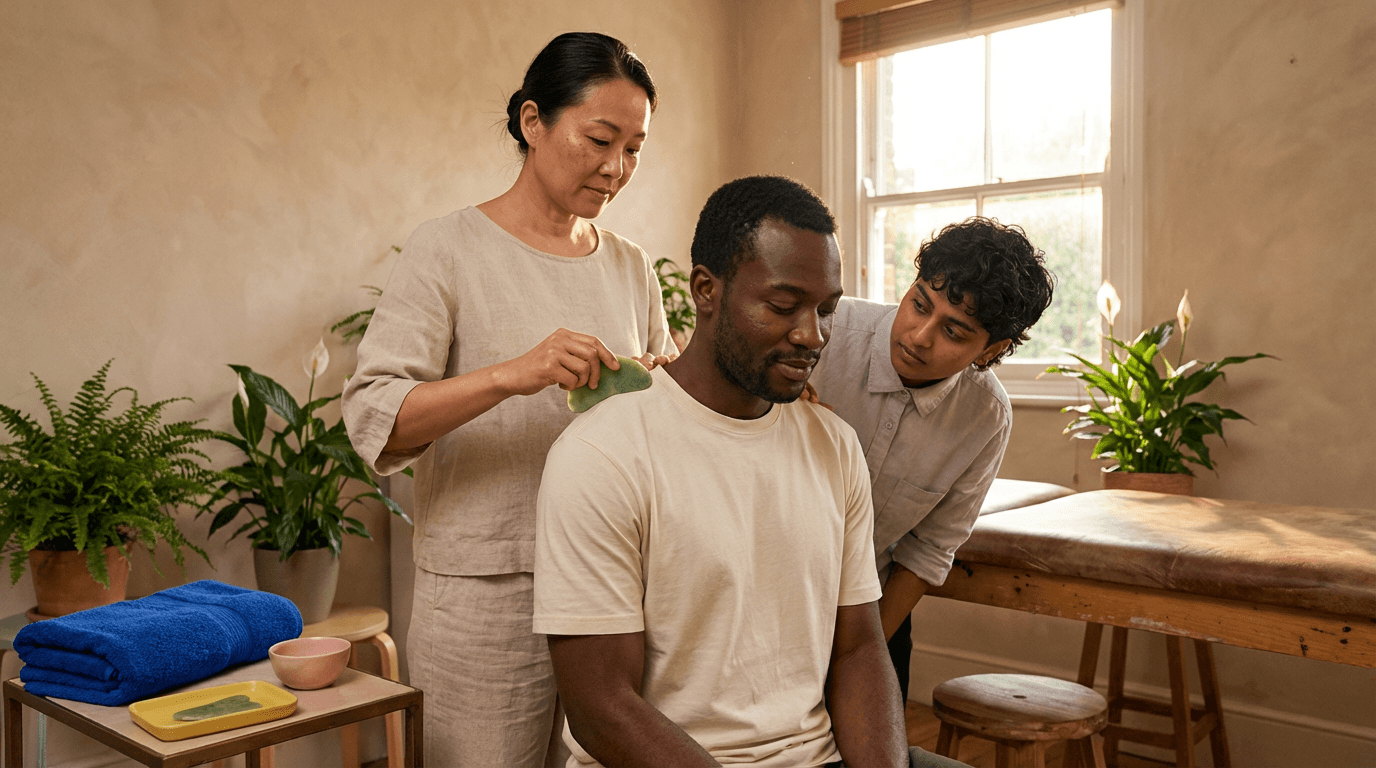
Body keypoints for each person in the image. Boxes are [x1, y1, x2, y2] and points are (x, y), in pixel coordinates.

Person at [533, 176, 965, 768]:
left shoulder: (835, 447)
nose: (813, 335)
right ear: (706, 290)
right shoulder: (603, 455)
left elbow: (859, 648)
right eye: (784, 307)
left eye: (827, 310)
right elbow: (601, 705)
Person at [341, 32, 674, 768]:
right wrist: (510, 374)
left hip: (611, 585)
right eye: (599, 139)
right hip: (485, 587)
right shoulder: (446, 248)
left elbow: (671, 424)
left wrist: (664, 384)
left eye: (635, 148)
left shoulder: (629, 266)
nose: (616, 168)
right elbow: (375, 416)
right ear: (533, 121)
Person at [807, 217, 1055, 701]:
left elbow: (928, 550)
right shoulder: (827, 332)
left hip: (870, 608)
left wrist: (857, 655)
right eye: (919, 304)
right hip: (756, 592)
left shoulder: (985, 417)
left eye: (955, 332)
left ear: (992, 351)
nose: (919, 336)